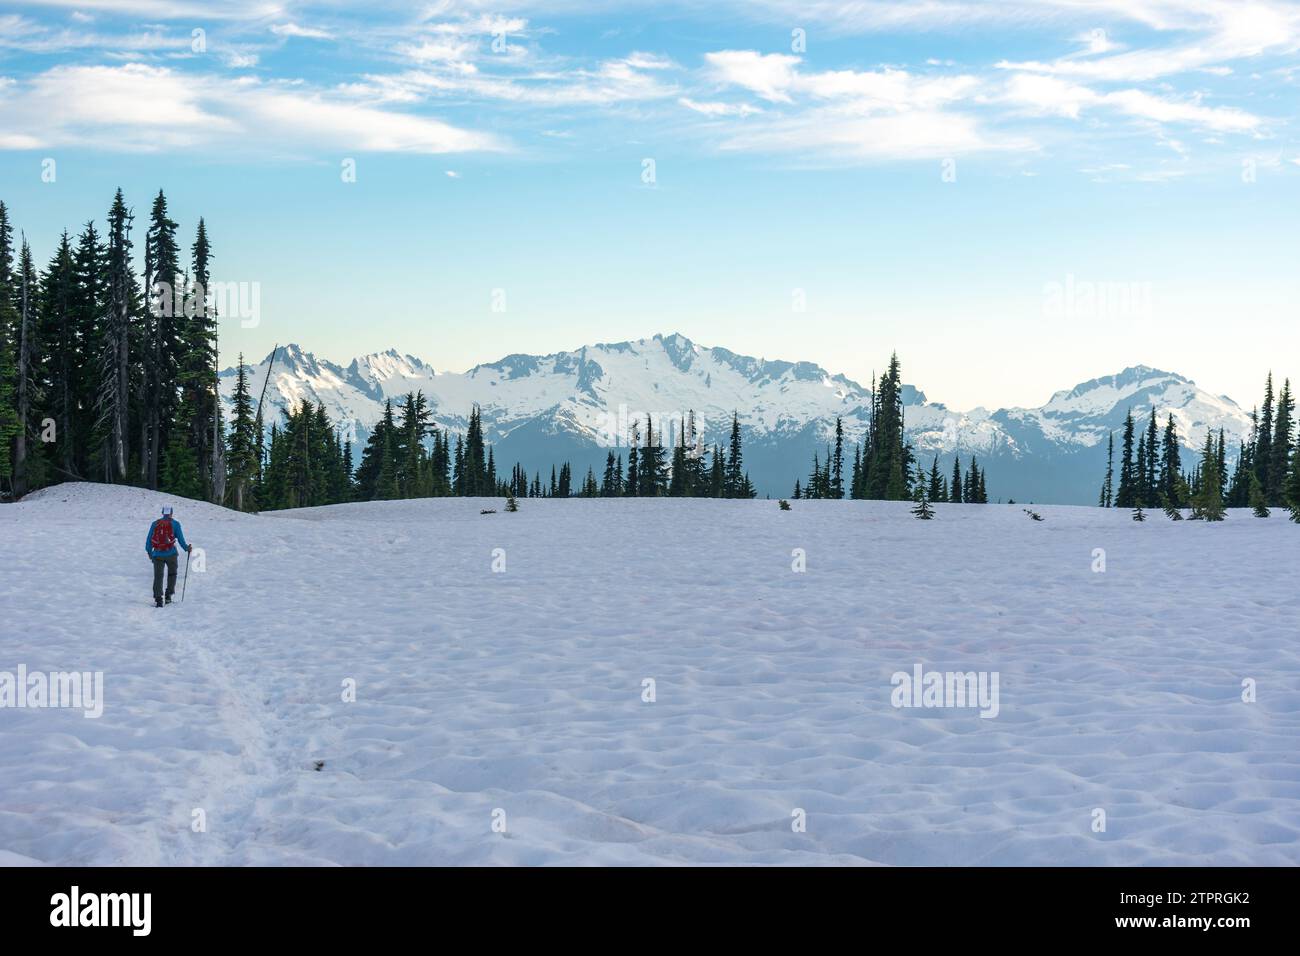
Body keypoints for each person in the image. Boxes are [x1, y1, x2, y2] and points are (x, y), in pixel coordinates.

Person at [145, 506, 192, 607]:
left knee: (158, 576)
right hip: (171, 554)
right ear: (171, 513)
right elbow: (180, 539)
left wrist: (149, 552)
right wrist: (186, 548)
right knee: (172, 574)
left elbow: (149, 539)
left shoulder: (155, 524)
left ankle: (158, 599)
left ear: (162, 513)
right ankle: (168, 596)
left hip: (157, 554)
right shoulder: (175, 524)